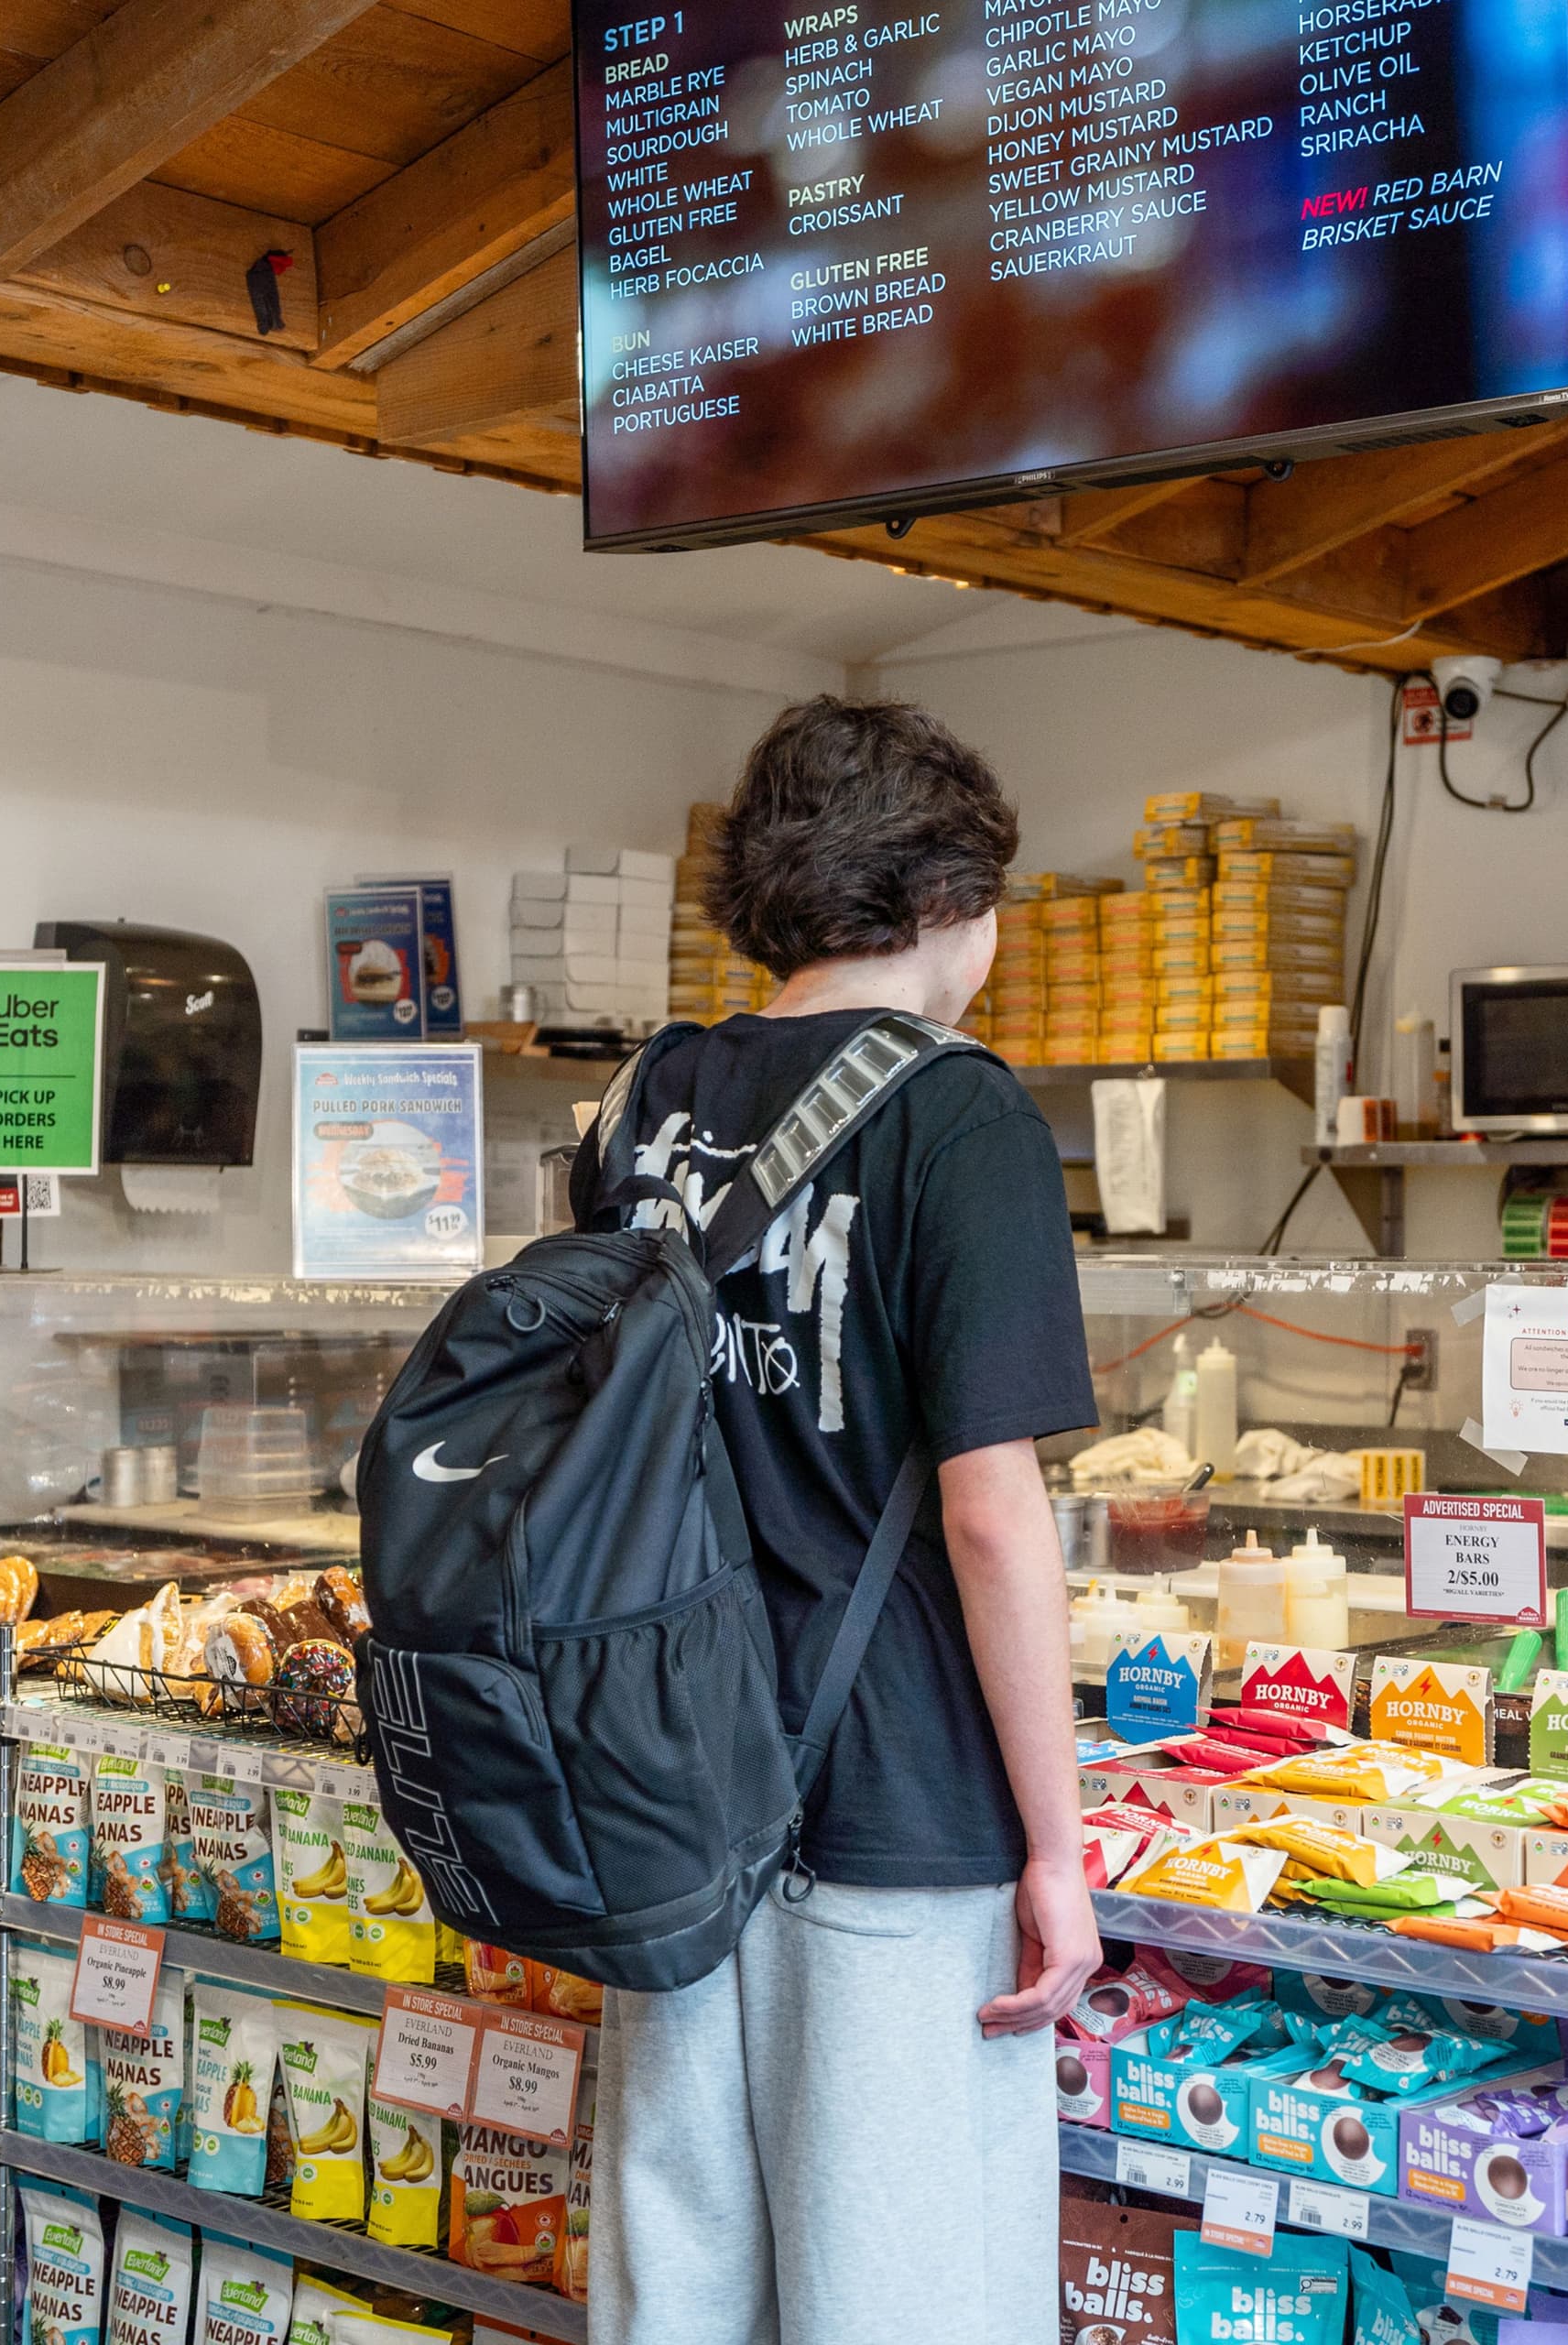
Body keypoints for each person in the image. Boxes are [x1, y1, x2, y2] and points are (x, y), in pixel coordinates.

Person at [572, 697, 1100, 2345]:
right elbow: (994, 1515)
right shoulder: (963, 1113)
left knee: (682, 2284)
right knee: (900, 2289)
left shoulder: (640, 1101)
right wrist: (1064, 1849)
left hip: (660, 1779)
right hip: (888, 1796)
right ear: (942, 901)